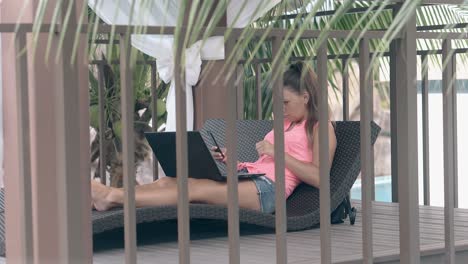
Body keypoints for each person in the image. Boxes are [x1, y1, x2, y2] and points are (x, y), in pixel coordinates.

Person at [91, 61, 337, 214]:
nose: (281, 108)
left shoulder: (319, 127)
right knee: (172, 181)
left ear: (305, 97)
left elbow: (319, 177)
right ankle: (110, 201)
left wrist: (276, 153)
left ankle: (112, 195)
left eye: (286, 102)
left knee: (192, 188)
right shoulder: (284, 124)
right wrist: (234, 164)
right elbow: (265, 164)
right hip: (253, 179)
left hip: (269, 191)